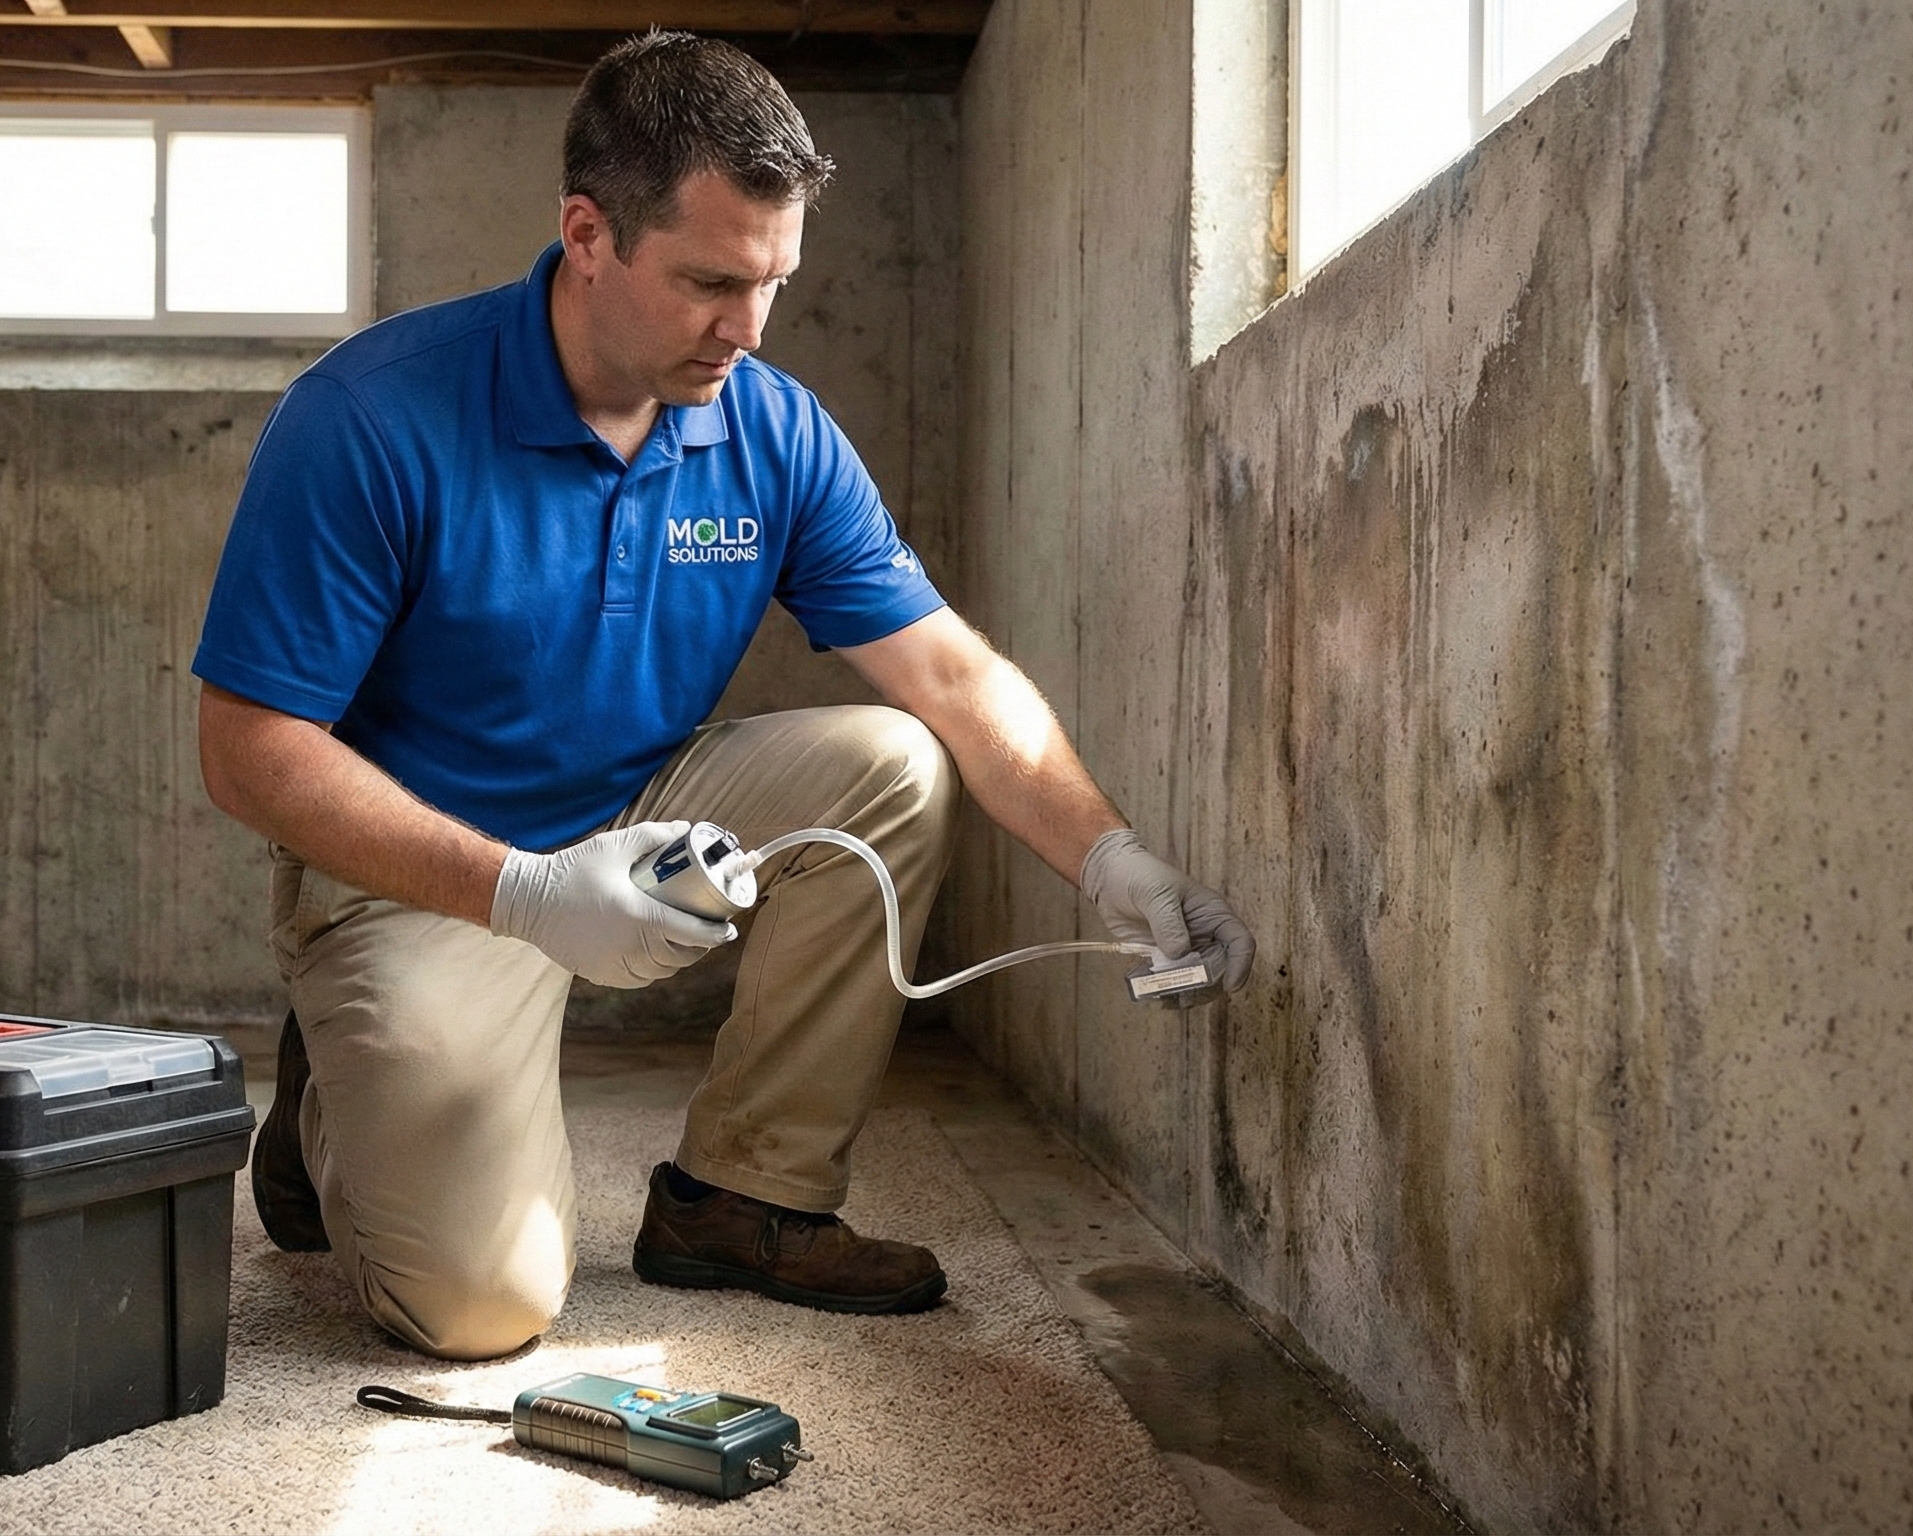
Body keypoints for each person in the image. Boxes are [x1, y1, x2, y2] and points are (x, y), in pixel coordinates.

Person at [192, 30, 1254, 1362]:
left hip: (636, 806)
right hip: (425, 866)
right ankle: (327, 1120)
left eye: (775, 282)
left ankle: (739, 1201)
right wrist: (524, 892)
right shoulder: (372, 418)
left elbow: (953, 675)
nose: (747, 329)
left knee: (893, 759)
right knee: (480, 1309)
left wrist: (1116, 861)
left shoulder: (770, 426)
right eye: (709, 282)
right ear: (589, 233)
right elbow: (246, 753)